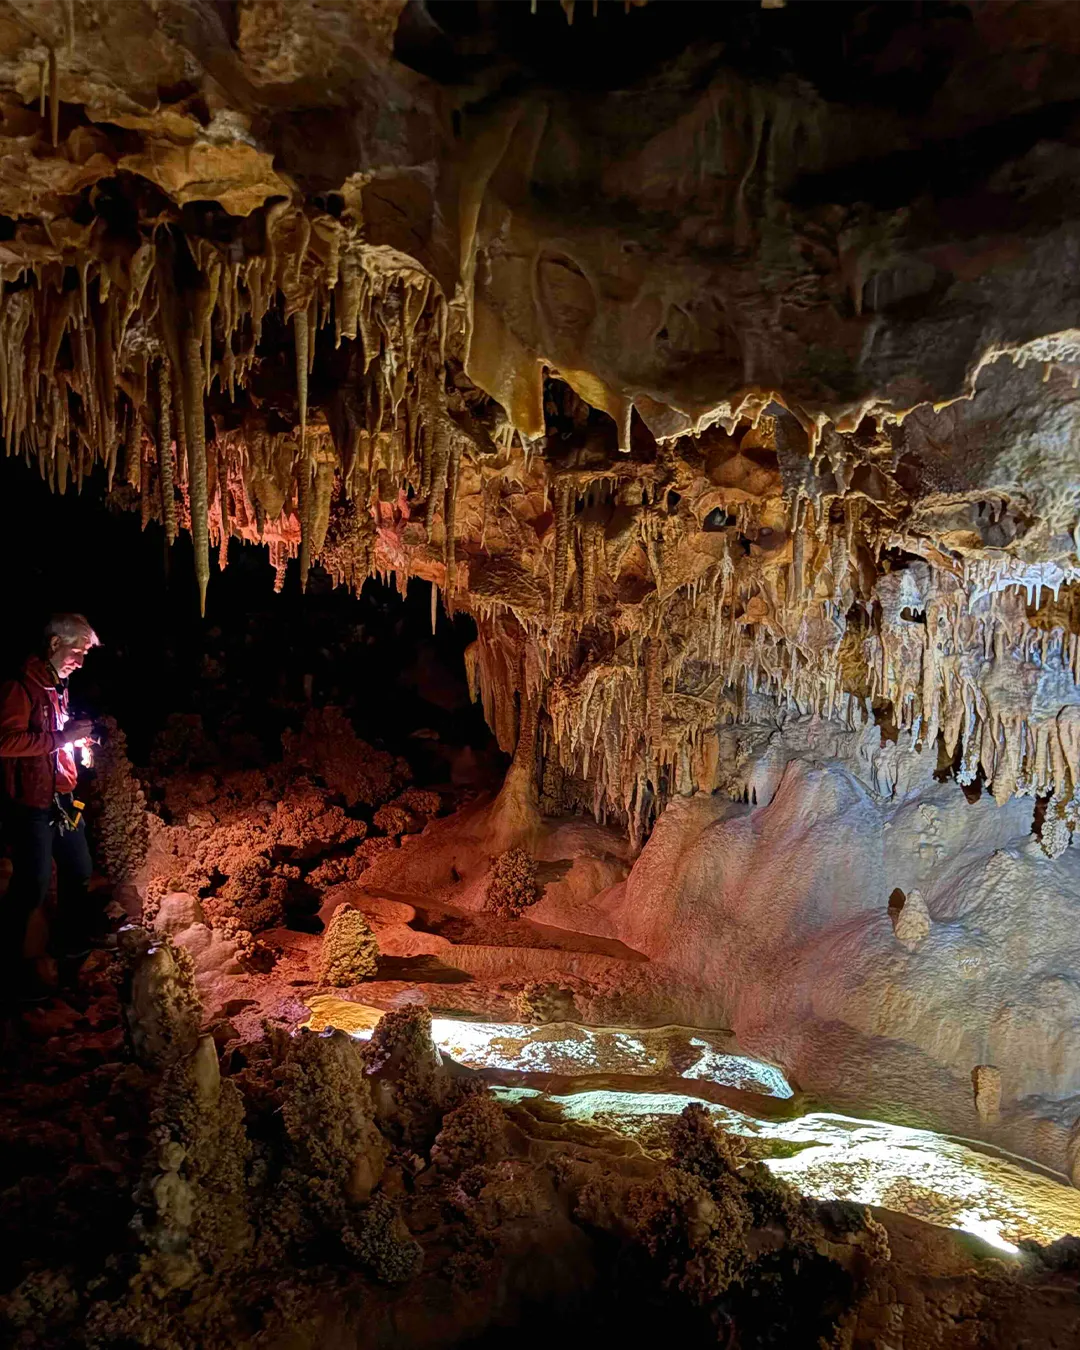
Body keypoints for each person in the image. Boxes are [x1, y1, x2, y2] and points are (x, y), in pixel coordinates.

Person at [0, 613, 99, 1002]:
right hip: (32, 803)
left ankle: (71, 954)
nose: (81, 660)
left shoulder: (58, 687)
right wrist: (61, 738)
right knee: (32, 886)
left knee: (79, 870)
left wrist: (76, 740)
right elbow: (6, 742)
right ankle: (11, 968)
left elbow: (53, 737)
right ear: (55, 643)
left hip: (62, 798)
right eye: (78, 650)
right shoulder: (19, 687)